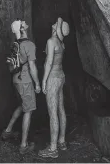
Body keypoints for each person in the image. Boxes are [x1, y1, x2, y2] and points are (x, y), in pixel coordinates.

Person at [2, 20, 41, 154]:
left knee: (21, 105)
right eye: (22, 22)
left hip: (15, 80)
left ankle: (7, 131)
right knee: (28, 111)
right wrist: (37, 83)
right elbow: (32, 67)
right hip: (25, 81)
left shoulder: (15, 44)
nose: (24, 21)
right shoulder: (29, 45)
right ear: (23, 29)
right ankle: (23, 146)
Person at [38, 17, 70, 159]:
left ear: (56, 29)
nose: (54, 23)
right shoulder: (61, 43)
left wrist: (44, 81)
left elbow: (49, 62)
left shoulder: (51, 42)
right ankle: (62, 141)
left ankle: (52, 149)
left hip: (53, 78)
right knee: (61, 109)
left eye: (57, 24)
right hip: (61, 76)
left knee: (53, 113)